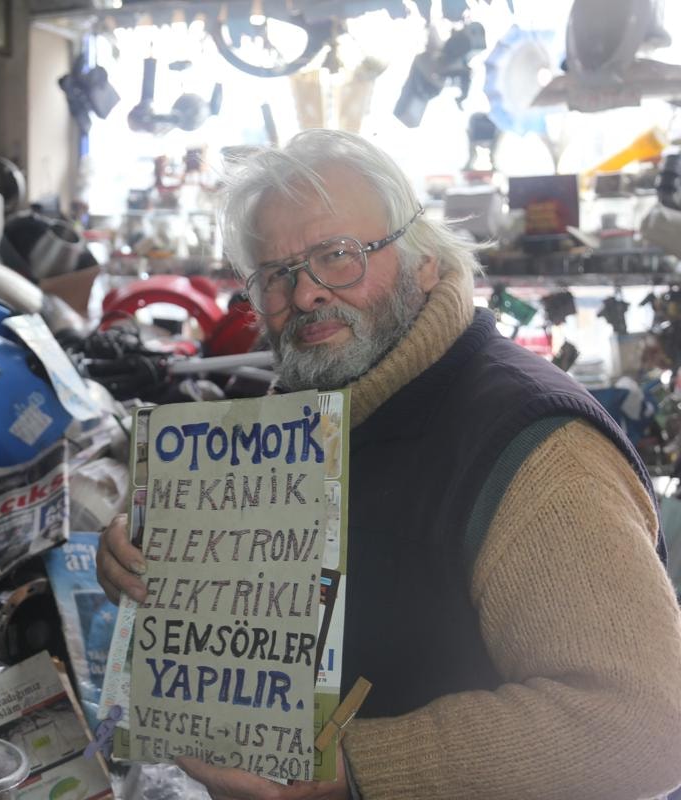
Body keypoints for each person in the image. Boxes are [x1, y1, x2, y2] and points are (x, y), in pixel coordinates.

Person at [96, 130, 681, 800]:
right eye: (276, 275)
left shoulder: (538, 450)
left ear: (424, 260)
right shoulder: (309, 408)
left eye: (337, 255)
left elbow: (645, 726)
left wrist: (359, 770)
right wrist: (146, 562)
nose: (306, 293)